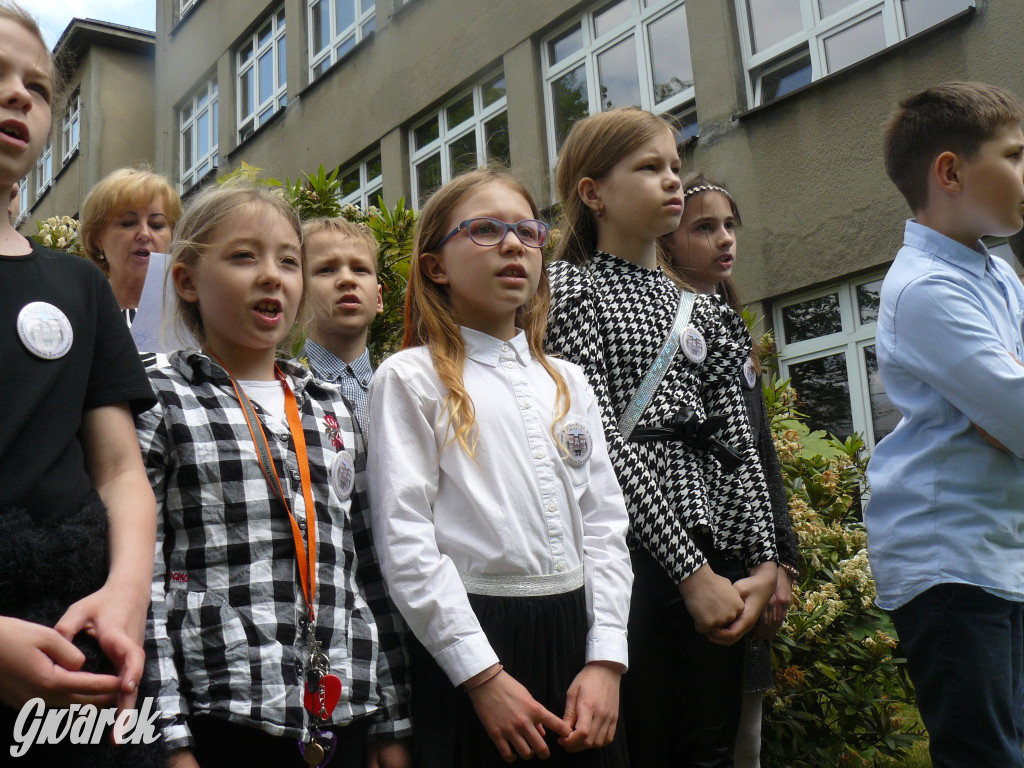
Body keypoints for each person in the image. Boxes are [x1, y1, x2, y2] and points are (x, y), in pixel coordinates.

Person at [136, 183, 411, 768]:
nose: (272, 276)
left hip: (344, 706)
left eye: (289, 260)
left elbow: (365, 565)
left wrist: (392, 717)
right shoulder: (158, 395)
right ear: (186, 280)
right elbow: (142, 586)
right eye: (243, 257)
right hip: (224, 706)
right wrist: (167, 740)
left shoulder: (330, 405)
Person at [366, 168, 633, 767]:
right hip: (472, 642)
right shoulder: (412, 378)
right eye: (485, 230)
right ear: (435, 266)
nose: (513, 245)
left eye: (527, 232)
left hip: (580, 642)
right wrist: (481, 676)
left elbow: (605, 526)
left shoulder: (568, 381)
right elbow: (405, 539)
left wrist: (607, 659)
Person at [545, 107, 778, 768]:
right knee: (641, 745)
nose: (673, 181)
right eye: (650, 168)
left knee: (709, 749)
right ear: (594, 194)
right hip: (630, 557)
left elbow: (741, 442)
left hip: (720, 556)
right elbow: (596, 443)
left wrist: (761, 561)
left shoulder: (706, 309)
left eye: (675, 166)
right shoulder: (571, 289)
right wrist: (689, 571)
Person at [0, 3, 160, 763]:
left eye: (37, 87)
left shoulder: (76, 287)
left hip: (82, 642)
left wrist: (125, 593)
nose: (18, 97)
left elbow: (121, 468)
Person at [866, 81, 1024, 768]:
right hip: (951, 565)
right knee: (986, 755)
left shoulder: (996, 271)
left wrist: (998, 416)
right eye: (1015, 155)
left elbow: (1006, 417)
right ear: (952, 172)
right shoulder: (926, 287)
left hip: (1000, 549)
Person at [662, 174, 801, 768]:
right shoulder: (654, 326)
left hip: (750, 556)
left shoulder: (730, 325)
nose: (724, 240)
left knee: (746, 736)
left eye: (729, 225)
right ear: (666, 242)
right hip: (686, 554)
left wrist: (781, 558)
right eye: (703, 227)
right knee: (692, 730)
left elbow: (759, 452)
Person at [301, 217, 383, 435]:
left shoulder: (400, 388)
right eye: (327, 269)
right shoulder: (282, 389)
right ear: (298, 295)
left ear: (378, 298)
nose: (347, 279)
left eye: (360, 269)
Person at [80, 166, 182, 325]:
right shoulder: (79, 318)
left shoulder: (197, 315)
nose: (144, 234)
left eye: (156, 224)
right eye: (128, 223)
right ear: (97, 237)